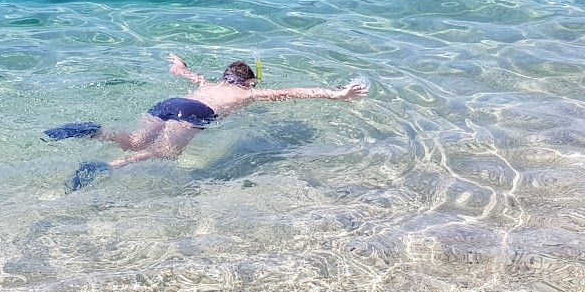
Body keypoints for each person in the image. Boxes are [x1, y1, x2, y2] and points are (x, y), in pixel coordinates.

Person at [44, 54, 369, 189]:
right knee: (165, 154)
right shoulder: (248, 95)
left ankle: (96, 132)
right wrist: (335, 94)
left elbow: (186, 73)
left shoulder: (207, 84)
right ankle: (106, 167)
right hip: (196, 114)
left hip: (171, 104)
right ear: (250, 83)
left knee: (136, 140)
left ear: (225, 77)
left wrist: (179, 65)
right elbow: (293, 92)